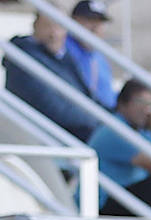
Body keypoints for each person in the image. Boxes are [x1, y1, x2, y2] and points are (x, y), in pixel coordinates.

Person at [89, 81, 151, 219]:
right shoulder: (114, 129)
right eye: (140, 102)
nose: (146, 110)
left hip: (127, 197)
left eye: (150, 104)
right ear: (122, 104)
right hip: (103, 203)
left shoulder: (142, 130)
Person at [4, 13, 100, 141]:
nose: (53, 34)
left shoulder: (64, 56)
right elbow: (52, 108)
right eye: (47, 26)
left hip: (75, 132)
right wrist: (99, 121)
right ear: (35, 26)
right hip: (52, 138)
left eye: (59, 26)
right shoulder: (22, 59)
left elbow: (86, 96)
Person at [65, 0, 116, 110]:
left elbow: (109, 97)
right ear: (74, 21)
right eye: (89, 20)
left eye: (100, 22)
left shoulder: (99, 58)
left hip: (104, 117)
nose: (95, 28)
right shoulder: (62, 48)